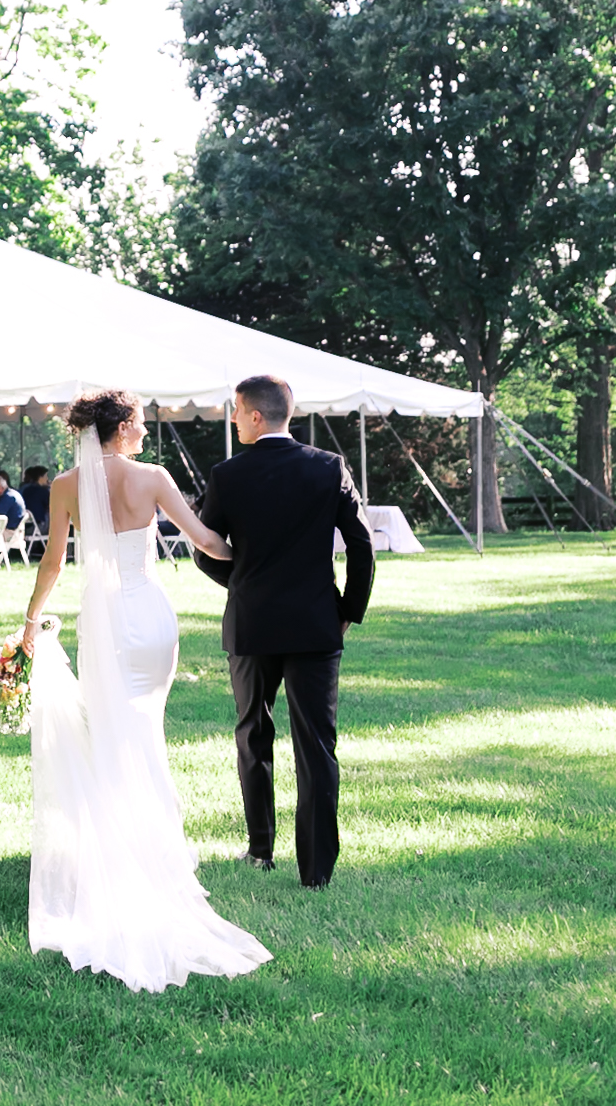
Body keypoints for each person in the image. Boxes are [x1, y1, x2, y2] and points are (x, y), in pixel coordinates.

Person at [16, 387, 269, 992]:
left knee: (112, 733)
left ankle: (122, 850)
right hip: (151, 618)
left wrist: (31, 621)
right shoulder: (152, 477)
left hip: (104, 621)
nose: (146, 434)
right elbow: (206, 541)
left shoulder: (66, 485)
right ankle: (152, 850)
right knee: (144, 733)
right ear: (124, 426)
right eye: (140, 424)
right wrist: (263, 568)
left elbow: (53, 562)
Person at [191, 374, 374, 892]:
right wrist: (347, 609)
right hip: (316, 621)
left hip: (252, 623)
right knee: (316, 745)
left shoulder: (227, 475)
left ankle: (260, 850)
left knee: (254, 734)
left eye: (235, 410)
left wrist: (243, 585)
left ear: (254, 416)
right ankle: (316, 870)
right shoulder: (327, 467)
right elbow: (361, 546)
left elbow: (207, 549)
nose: (231, 419)